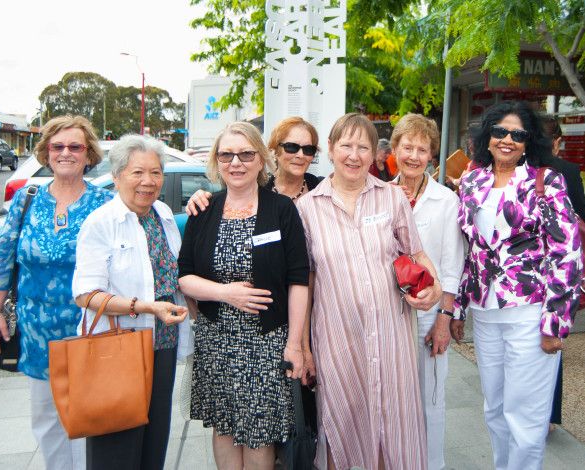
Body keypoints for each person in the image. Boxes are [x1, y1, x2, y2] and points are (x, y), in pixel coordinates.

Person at [295, 112, 442, 469]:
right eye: (346, 145)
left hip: (391, 338)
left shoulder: (391, 199)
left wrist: (434, 289)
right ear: (330, 150)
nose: (354, 154)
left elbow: (417, 253)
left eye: (363, 147)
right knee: (340, 425)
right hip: (337, 340)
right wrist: (303, 347)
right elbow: (306, 282)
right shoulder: (307, 208)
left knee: (392, 429)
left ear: (373, 154)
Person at [451, 101, 582, 469]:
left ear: (528, 142)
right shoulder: (472, 181)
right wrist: (459, 307)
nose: (507, 139)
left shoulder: (546, 181)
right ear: (487, 136)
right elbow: (468, 248)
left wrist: (555, 323)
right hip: (485, 311)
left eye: (518, 134)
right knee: (494, 408)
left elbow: (566, 253)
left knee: (526, 416)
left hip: (530, 311)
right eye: (500, 131)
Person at [178, 122, 309, 469]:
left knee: (259, 432)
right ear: (216, 161)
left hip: (266, 340)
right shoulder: (203, 210)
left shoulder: (281, 210)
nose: (235, 162)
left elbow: (299, 280)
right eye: (226, 154)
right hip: (217, 338)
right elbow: (185, 277)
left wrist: (295, 344)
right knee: (223, 428)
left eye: (246, 154)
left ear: (261, 159)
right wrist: (226, 293)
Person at [0, 115, 112, 469]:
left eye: (75, 146)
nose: (66, 153)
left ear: (89, 155)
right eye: (58, 146)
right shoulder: (27, 200)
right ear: (45, 154)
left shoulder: (106, 204)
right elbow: (3, 257)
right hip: (38, 333)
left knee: (88, 420)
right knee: (47, 421)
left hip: (88, 328)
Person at [72, 135, 192, 470]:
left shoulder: (163, 214)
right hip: (118, 347)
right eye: (138, 172)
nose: (148, 181)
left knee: (154, 443)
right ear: (117, 175)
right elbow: (85, 294)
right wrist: (145, 307)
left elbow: (172, 275)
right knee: (117, 449)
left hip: (161, 346)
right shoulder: (101, 223)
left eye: (155, 173)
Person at [391, 113, 465, 469]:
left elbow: (452, 266)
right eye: (408, 147)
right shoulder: (380, 195)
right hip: (389, 316)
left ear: (432, 155)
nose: (414, 156)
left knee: (429, 401)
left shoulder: (446, 200)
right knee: (391, 403)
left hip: (427, 317)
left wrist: (444, 320)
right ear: (395, 149)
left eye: (423, 149)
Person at [540, 114, 585, 433]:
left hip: (525, 275)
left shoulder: (521, 168)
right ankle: (547, 419)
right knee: (551, 343)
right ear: (557, 141)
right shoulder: (568, 171)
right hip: (559, 273)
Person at [186, 116, 321, 216]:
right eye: (292, 147)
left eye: (308, 149)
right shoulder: (254, 187)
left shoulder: (322, 189)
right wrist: (199, 197)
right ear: (274, 150)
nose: (301, 155)